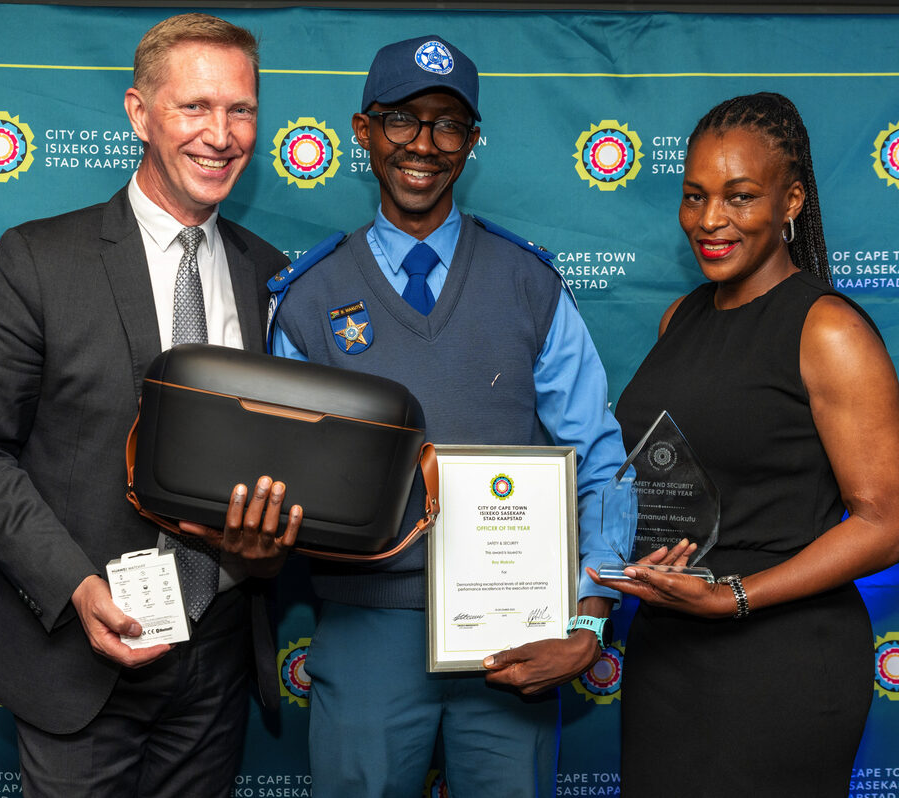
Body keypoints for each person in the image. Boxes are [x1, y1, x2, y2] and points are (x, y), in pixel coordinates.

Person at [0, 14, 301, 797]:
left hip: (217, 659)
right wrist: (74, 585)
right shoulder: (39, 259)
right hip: (77, 652)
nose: (222, 134)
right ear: (138, 112)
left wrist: (267, 553)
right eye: (194, 107)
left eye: (240, 109)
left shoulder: (269, 275)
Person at [267, 35, 641, 798]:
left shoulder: (528, 282)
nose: (423, 145)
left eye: (447, 125)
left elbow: (599, 458)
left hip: (516, 636)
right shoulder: (306, 298)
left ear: (471, 144)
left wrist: (592, 618)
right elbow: (282, 478)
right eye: (402, 119)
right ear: (362, 130)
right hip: (368, 631)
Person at [591, 92, 899, 796]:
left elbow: (886, 527)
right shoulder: (682, 317)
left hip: (780, 660)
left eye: (740, 197)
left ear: (792, 199)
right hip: (669, 647)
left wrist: (734, 596)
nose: (710, 220)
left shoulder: (826, 330)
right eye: (695, 196)